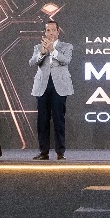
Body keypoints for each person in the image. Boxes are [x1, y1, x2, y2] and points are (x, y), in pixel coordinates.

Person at [29, 20, 74, 160]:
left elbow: (66, 60)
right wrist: (43, 52)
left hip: (59, 86)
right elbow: (32, 62)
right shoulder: (38, 47)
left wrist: (52, 50)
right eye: (48, 30)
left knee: (58, 119)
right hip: (42, 85)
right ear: (45, 32)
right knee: (42, 120)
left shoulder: (66, 46)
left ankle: (60, 152)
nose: (51, 33)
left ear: (58, 32)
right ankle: (44, 152)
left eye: (53, 30)